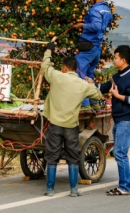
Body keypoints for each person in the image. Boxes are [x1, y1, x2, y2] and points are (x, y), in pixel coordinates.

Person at [41, 42, 102, 197]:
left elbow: (45, 67)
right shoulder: (82, 84)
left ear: (65, 68)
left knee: (52, 157)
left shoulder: (56, 77)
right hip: (71, 126)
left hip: (55, 125)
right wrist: (91, 84)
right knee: (73, 158)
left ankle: (49, 190)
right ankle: (74, 190)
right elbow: (98, 95)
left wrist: (49, 50)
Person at [96, 45, 130, 196]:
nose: (113, 60)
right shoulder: (117, 76)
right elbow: (103, 87)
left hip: (128, 121)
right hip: (119, 120)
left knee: (121, 153)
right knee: (119, 153)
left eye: (115, 58)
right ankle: (123, 185)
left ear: (123, 59)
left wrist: (117, 96)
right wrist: (91, 84)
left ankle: (124, 187)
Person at [72, 0, 113, 106]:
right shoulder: (106, 10)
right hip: (97, 47)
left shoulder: (94, 10)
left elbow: (96, 26)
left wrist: (82, 25)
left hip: (88, 47)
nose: (89, 0)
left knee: (80, 75)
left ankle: (84, 105)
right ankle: (94, 102)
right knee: (89, 76)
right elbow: (106, 23)